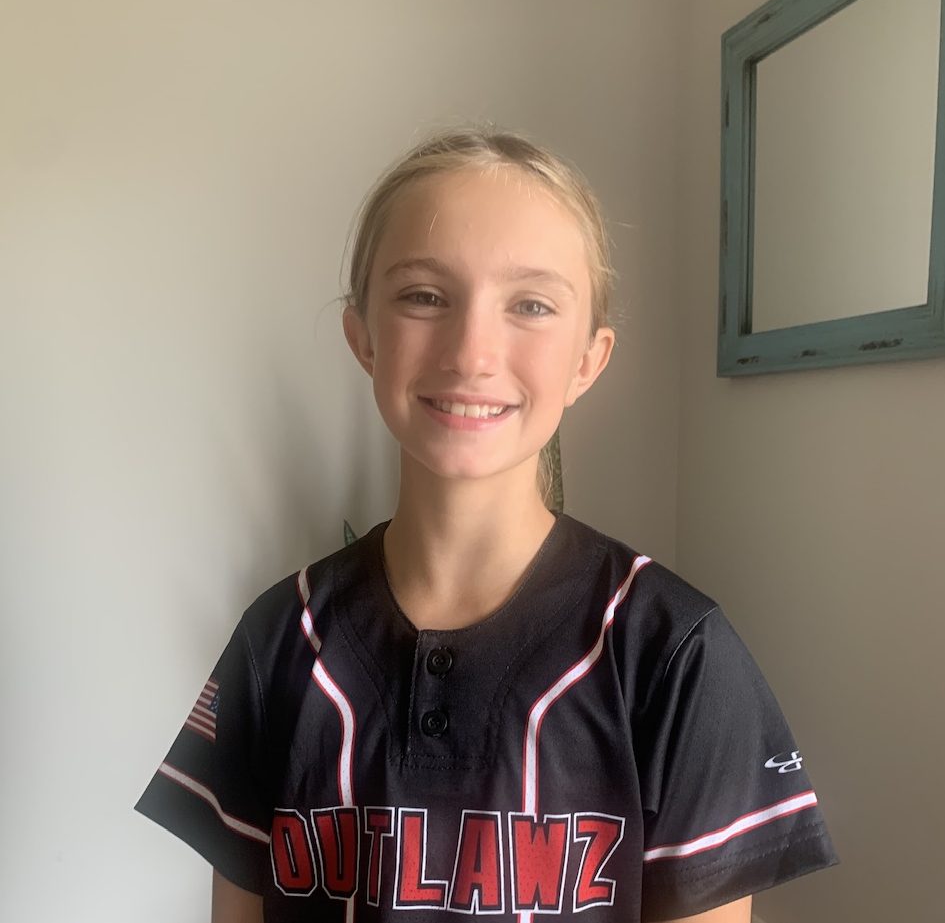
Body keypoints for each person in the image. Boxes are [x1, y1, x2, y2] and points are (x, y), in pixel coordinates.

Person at [135, 125, 839, 923]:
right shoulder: (277, 641)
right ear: (363, 337)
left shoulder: (674, 653)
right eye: (424, 295)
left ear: (587, 359)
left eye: (530, 304)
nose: (472, 352)